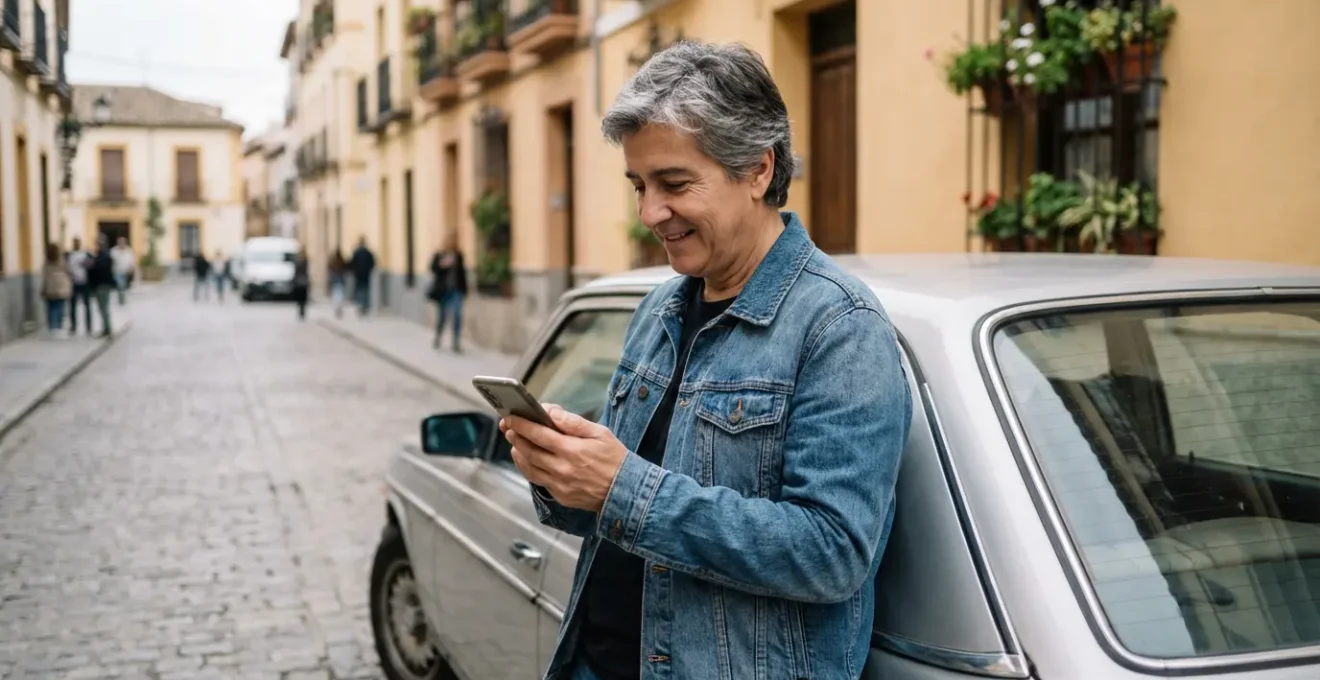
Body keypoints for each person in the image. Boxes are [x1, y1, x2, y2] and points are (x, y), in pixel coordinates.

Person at [500, 41, 912, 680]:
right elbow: (622, 515)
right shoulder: (658, 310)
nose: (649, 213)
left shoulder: (839, 326)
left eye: (674, 183)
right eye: (639, 185)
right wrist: (564, 472)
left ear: (756, 168)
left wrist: (621, 486)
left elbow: (833, 553)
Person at [427, 232, 467, 352]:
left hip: (456, 290)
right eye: (450, 240)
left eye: (454, 240)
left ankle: (456, 342)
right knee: (442, 317)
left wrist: (465, 289)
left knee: (457, 316)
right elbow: (432, 268)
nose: (451, 242)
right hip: (444, 291)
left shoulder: (459, 255)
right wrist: (443, 264)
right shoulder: (439, 255)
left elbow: (462, 273)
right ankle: (438, 337)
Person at [41, 243, 72, 335]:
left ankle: (52, 326)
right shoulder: (62, 260)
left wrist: (43, 288)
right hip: (61, 285)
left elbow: (45, 275)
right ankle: (59, 325)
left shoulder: (47, 261)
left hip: (50, 286)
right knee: (60, 306)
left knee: (51, 307)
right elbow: (67, 271)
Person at [88, 235, 115, 338]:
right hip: (102, 284)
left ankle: (107, 328)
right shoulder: (101, 256)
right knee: (103, 307)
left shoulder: (103, 256)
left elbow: (101, 270)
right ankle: (106, 328)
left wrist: (92, 266)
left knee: (103, 307)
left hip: (102, 284)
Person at [66, 236, 93, 336]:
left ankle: (88, 326)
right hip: (73, 283)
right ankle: (73, 326)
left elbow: (91, 266)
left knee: (87, 305)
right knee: (72, 306)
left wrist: (87, 265)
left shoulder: (85, 254)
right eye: (74, 242)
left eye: (77, 242)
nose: (76, 244)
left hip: (84, 282)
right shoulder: (69, 255)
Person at [349, 236, 376, 317]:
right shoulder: (368, 252)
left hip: (358, 274)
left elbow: (352, 263)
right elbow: (373, 262)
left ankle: (360, 305)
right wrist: (369, 270)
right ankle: (365, 305)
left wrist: (354, 271)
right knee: (366, 290)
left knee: (359, 290)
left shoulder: (356, 252)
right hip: (366, 274)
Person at [110, 237, 135, 306]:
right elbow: (111, 260)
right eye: (120, 242)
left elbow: (131, 260)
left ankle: (121, 297)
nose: (121, 244)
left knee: (123, 286)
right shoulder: (114, 250)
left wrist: (132, 268)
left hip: (126, 271)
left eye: (123, 242)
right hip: (117, 271)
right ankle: (121, 300)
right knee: (120, 285)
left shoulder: (129, 250)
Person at [328, 249, 348, 319]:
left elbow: (329, 267)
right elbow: (346, 267)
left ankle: (337, 305)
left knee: (336, 292)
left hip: (335, 278)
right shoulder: (341, 260)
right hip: (340, 277)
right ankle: (339, 305)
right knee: (340, 292)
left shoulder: (333, 260)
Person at [292, 247, 311, 320]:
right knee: (303, 298)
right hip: (303, 281)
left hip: (299, 281)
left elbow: (296, 271)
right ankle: (302, 310)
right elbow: (306, 271)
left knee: (300, 298)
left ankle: (301, 310)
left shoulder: (298, 260)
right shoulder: (305, 260)